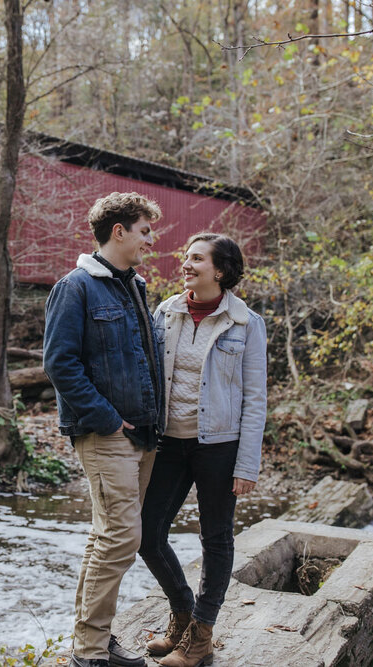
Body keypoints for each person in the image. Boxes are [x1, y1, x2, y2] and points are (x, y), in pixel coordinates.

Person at [43, 192, 165, 667]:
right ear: (119, 231)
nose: (149, 241)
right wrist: (108, 418)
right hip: (105, 433)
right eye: (144, 231)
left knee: (105, 538)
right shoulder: (74, 287)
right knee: (120, 539)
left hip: (144, 435)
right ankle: (91, 652)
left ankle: (93, 640)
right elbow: (59, 364)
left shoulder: (135, 286)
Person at [138, 233, 267, 667]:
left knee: (215, 538)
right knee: (146, 532)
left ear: (221, 270)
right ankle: (182, 612)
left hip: (220, 446)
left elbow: (255, 399)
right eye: (187, 257)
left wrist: (247, 463)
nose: (186, 264)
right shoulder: (165, 312)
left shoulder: (247, 323)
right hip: (168, 443)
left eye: (197, 258)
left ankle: (201, 636)